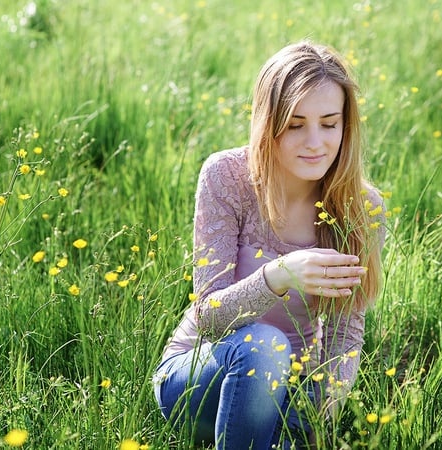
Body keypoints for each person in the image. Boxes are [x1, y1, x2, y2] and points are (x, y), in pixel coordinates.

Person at [152, 41, 386, 450]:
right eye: (295, 125)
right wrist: (280, 274)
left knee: (278, 382)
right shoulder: (227, 177)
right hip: (200, 378)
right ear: (268, 121)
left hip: (285, 394)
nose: (315, 142)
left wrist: (317, 419)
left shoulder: (362, 206)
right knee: (264, 345)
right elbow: (208, 317)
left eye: (329, 123)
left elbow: (344, 336)